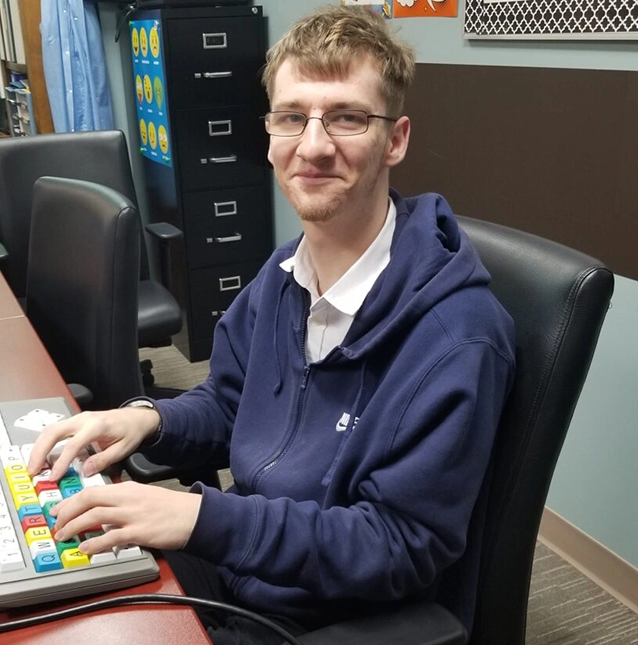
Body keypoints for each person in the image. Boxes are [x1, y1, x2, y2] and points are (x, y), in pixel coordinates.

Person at [28, 5, 515, 643]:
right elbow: (231, 400)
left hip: (315, 618)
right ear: (269, 134)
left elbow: (396, 544)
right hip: (241, 567)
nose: (312, 146)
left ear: (395, 139)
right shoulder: (285, 270)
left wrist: (201, 521)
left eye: (346, 117)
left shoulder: (458, 338)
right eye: (292, 117)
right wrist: (148, 418)